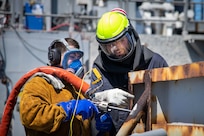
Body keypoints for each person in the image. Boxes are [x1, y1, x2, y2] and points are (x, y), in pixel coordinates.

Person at [86, 8, 168, 135]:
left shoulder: (154, 62)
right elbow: (91, 99)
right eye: (108, 45)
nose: (115, 49)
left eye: (120, 41)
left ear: (131, 34)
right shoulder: (100, 68)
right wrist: (102, 101)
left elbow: (170, 104)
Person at [19, 38, 99, 136]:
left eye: (78, 58)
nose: (77, 63)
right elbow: (30, 116)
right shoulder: (39, 83)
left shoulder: (76, 88)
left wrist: (98, 125)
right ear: (55, 58)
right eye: (72, 56)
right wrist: (66, 109)